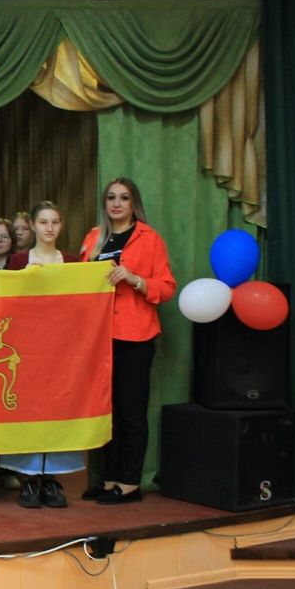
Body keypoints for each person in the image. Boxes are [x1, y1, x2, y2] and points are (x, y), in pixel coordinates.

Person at [81, 177, 176, 505]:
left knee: (130, 411)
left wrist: (134, 279)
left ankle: (130, 483)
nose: (117, 203)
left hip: (135, 336)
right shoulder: (94, 237)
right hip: (99, 337)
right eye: (111, 197)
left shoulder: (150, 239)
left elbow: (167, 288)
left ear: (134, 203)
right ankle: (109, 479)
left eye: (124, 197)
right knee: (105, 411)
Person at [1, 202, 83, 508]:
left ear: (61, 226)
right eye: (44, 222)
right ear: (33, 226)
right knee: (27, 411)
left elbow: (81, 306)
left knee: (58, 410)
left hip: (62, 350)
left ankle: (51, 478)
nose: (49, 228)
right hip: (26, 350)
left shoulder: (73, 263)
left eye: (55, 222)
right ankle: (27, 478)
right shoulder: (17, 262)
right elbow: (6, 306)